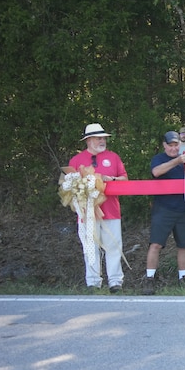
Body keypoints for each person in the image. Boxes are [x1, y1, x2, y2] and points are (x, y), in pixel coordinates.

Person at [142, 131, 185, 295]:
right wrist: (177, 160)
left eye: (176, 145)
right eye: (170, 145)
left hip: (184, 209)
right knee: (155, 244)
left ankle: (183, 278)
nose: (173, 148)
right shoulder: (159, 158)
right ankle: (149, 279)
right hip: (164, 208)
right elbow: (156, 172)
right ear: (164, 145)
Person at [69, 123, 128, 292]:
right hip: (87, 212)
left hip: (111, 210)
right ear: (88, 140)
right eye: (98, 138)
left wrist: (111, 179)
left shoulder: (114, 157)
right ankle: (93, 282)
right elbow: (68, 186)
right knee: (90, 248)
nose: (102, 141)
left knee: (114, 246)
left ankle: (115, 282)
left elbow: (125, 179)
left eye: (104, 138)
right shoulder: (76, 160)